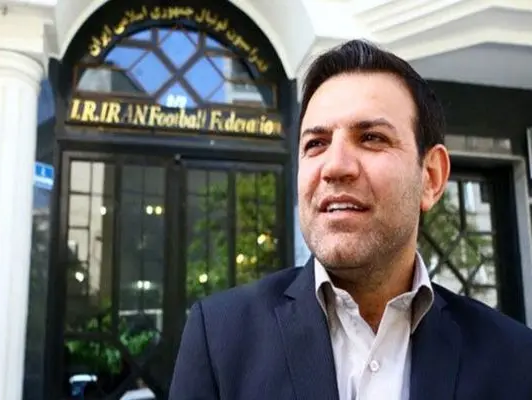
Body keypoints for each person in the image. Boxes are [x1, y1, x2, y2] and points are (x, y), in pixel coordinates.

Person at [168, 39, 532, 400]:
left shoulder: (515, 358)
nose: (335, 166)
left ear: (431, 177)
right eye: (316, 143)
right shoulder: (220, 339)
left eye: (371, 138)